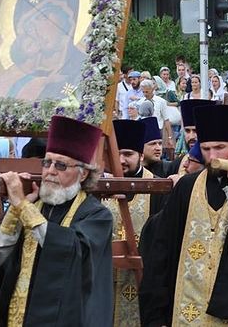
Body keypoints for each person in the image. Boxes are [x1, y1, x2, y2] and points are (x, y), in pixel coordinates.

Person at [140, 104, 228, 325]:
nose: (213, 156)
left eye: (219, 147)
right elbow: (162, 249)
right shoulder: (187, 186)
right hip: (186, 308)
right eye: (206, 149)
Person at [0, 115, 113, 326]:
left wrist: (22, 206)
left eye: (61, 165)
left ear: (83, 174)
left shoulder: (96, 215)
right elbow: (1, 254)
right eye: (47, 162)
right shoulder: (34, 204)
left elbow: (72, 251)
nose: (50, 171)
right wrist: (16, 211)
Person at [104, 119, 166, 325]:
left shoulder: (156, 187)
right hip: (106, 280)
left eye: (128, 154)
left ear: (140, 155)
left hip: (143, 281)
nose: (121, 160)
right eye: (116, 153)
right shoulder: (100, 186)